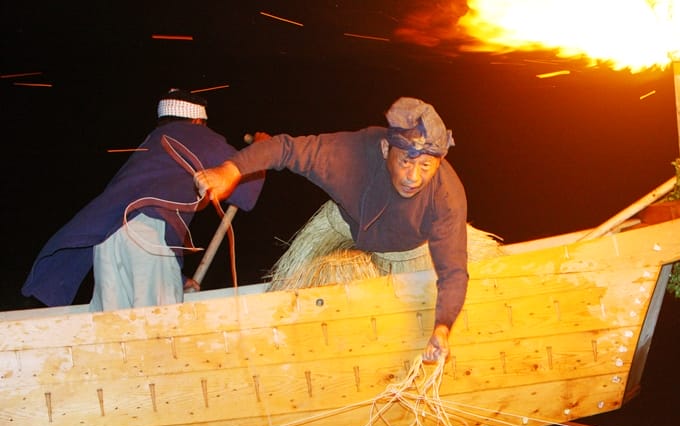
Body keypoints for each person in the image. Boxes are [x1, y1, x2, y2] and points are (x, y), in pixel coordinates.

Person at [193, 97, 468, 364]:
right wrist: (231, 170)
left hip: (406, 253)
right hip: (343, 228)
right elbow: (286, 149)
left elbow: (453, 271)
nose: (413, 177)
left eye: (425, 166)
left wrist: (442, 327)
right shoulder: (350, 155)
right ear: (386, 150)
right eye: (406, 162)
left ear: (438, 162)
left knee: (397, 335)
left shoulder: (446, 197)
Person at [21, 88, 265, 310]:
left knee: (117, 328)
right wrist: (261, 150)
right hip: (144, 235)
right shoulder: (197, 135)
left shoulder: (150, 146)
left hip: (108, 240)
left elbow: (133, 236)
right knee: (159, 329)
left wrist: (178, 281)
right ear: (197, 120)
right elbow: (248, 191)